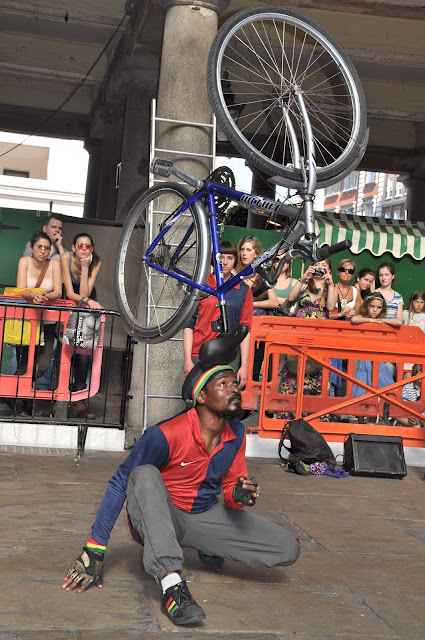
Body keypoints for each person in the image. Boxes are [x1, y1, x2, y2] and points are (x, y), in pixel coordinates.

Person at [61, 364, 300, 626]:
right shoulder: (165, 434)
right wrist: (95, 549)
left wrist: (239, 495)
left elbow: (231, 493)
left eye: (235, 384)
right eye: (223, 384)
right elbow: (120, 483)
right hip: (159, 518)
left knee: (286, 547)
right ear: (201, 397)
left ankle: (206, 544)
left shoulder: (237, 434)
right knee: (144, 473)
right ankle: (171, 586)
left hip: (202, 515)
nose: (234, 389)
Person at [183, 240, 253, 388]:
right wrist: (188, 359)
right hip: (200, 353)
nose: (224, 262)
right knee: (197, 398)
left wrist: (244, 365)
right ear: (213, 260)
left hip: (229, 356)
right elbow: (188, 324)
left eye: (230, 258)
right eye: (220, 257)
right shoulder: (201, 286)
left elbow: (245, 330)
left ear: (235, 261)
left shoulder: (244, 290)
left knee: (225, 400)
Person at [14, 231, 62, 414]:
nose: (43, 251)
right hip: (26, 320)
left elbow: (58, 291)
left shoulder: (54, 264)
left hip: (47, 321)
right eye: (39, 247)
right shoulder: (24, 262)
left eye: (47, 248)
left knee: (43, 364)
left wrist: (43, 297)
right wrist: (33, 294)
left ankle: (8, 392)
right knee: (23, 362)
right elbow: (20, 289)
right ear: (31, 248)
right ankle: (22, 402)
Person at [277, 259, 337, 403]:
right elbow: (291, 297)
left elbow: (330, 307)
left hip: (320, 336)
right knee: (294, 367)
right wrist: (303, 278)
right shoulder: (304, 283)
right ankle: (290, 409)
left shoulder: (330, 287)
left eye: (324, 265)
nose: (320, 267)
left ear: (329, 270)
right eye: (317, 264)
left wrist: (330, 283)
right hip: (299, 333)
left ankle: (314, 410)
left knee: (318, 370)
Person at [61, 233, 103, 418]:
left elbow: (85, 292)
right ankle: (60, 400)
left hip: (87, 306)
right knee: (63, 352)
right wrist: (85, 299)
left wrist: (85, 267)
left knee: (84, 355)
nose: (84, 249)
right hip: (70, 306)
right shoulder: (66, 258)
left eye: (88, 246)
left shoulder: (96, 262)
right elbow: (71, 293)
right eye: (80, 246)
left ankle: (79, 402)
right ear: (73, 248)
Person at [237, 236, 278, 381]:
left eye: (248, 250)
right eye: (242, 249)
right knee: (237, 366)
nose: (244, 253)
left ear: (256, 254)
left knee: (254, 368)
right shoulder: (235, 274)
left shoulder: (262, 275)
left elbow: (274, 302)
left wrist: (252, 304)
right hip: (239, 327)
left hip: (258, 328)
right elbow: (239, 299)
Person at [350, 292, 398, 411]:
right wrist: (370, 321)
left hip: (377, 359)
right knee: (362, 385)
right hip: (362, 359)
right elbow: (354, 319)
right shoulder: (363, 318)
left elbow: (398, 322)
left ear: (382, 309)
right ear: (367, 305)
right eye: (372, 306)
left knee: (379, 386)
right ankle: (360, 416)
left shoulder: (382, 320)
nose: (375, 310)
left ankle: (374, 415)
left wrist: (382, 321)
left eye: (379, 307)